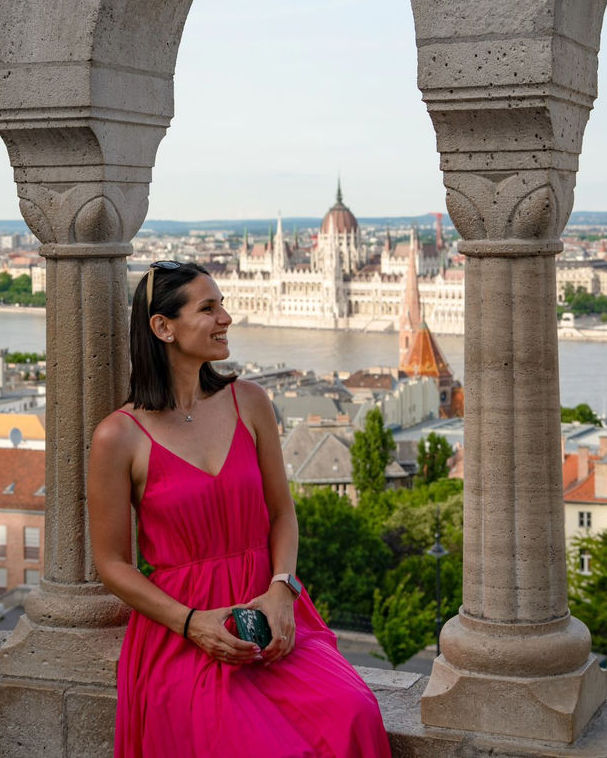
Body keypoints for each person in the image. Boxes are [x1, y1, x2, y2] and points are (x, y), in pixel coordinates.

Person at [88, 261, 391, 758]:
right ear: (163, 327)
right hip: (183, 631)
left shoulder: (249, 401)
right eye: (208, 308)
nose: (227, 317)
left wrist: (281, 589)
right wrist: (193, 624)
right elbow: (113, 565)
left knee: (353, 711)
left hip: (270, 609)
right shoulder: (118, 436)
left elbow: (282, 514)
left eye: (223, 303)